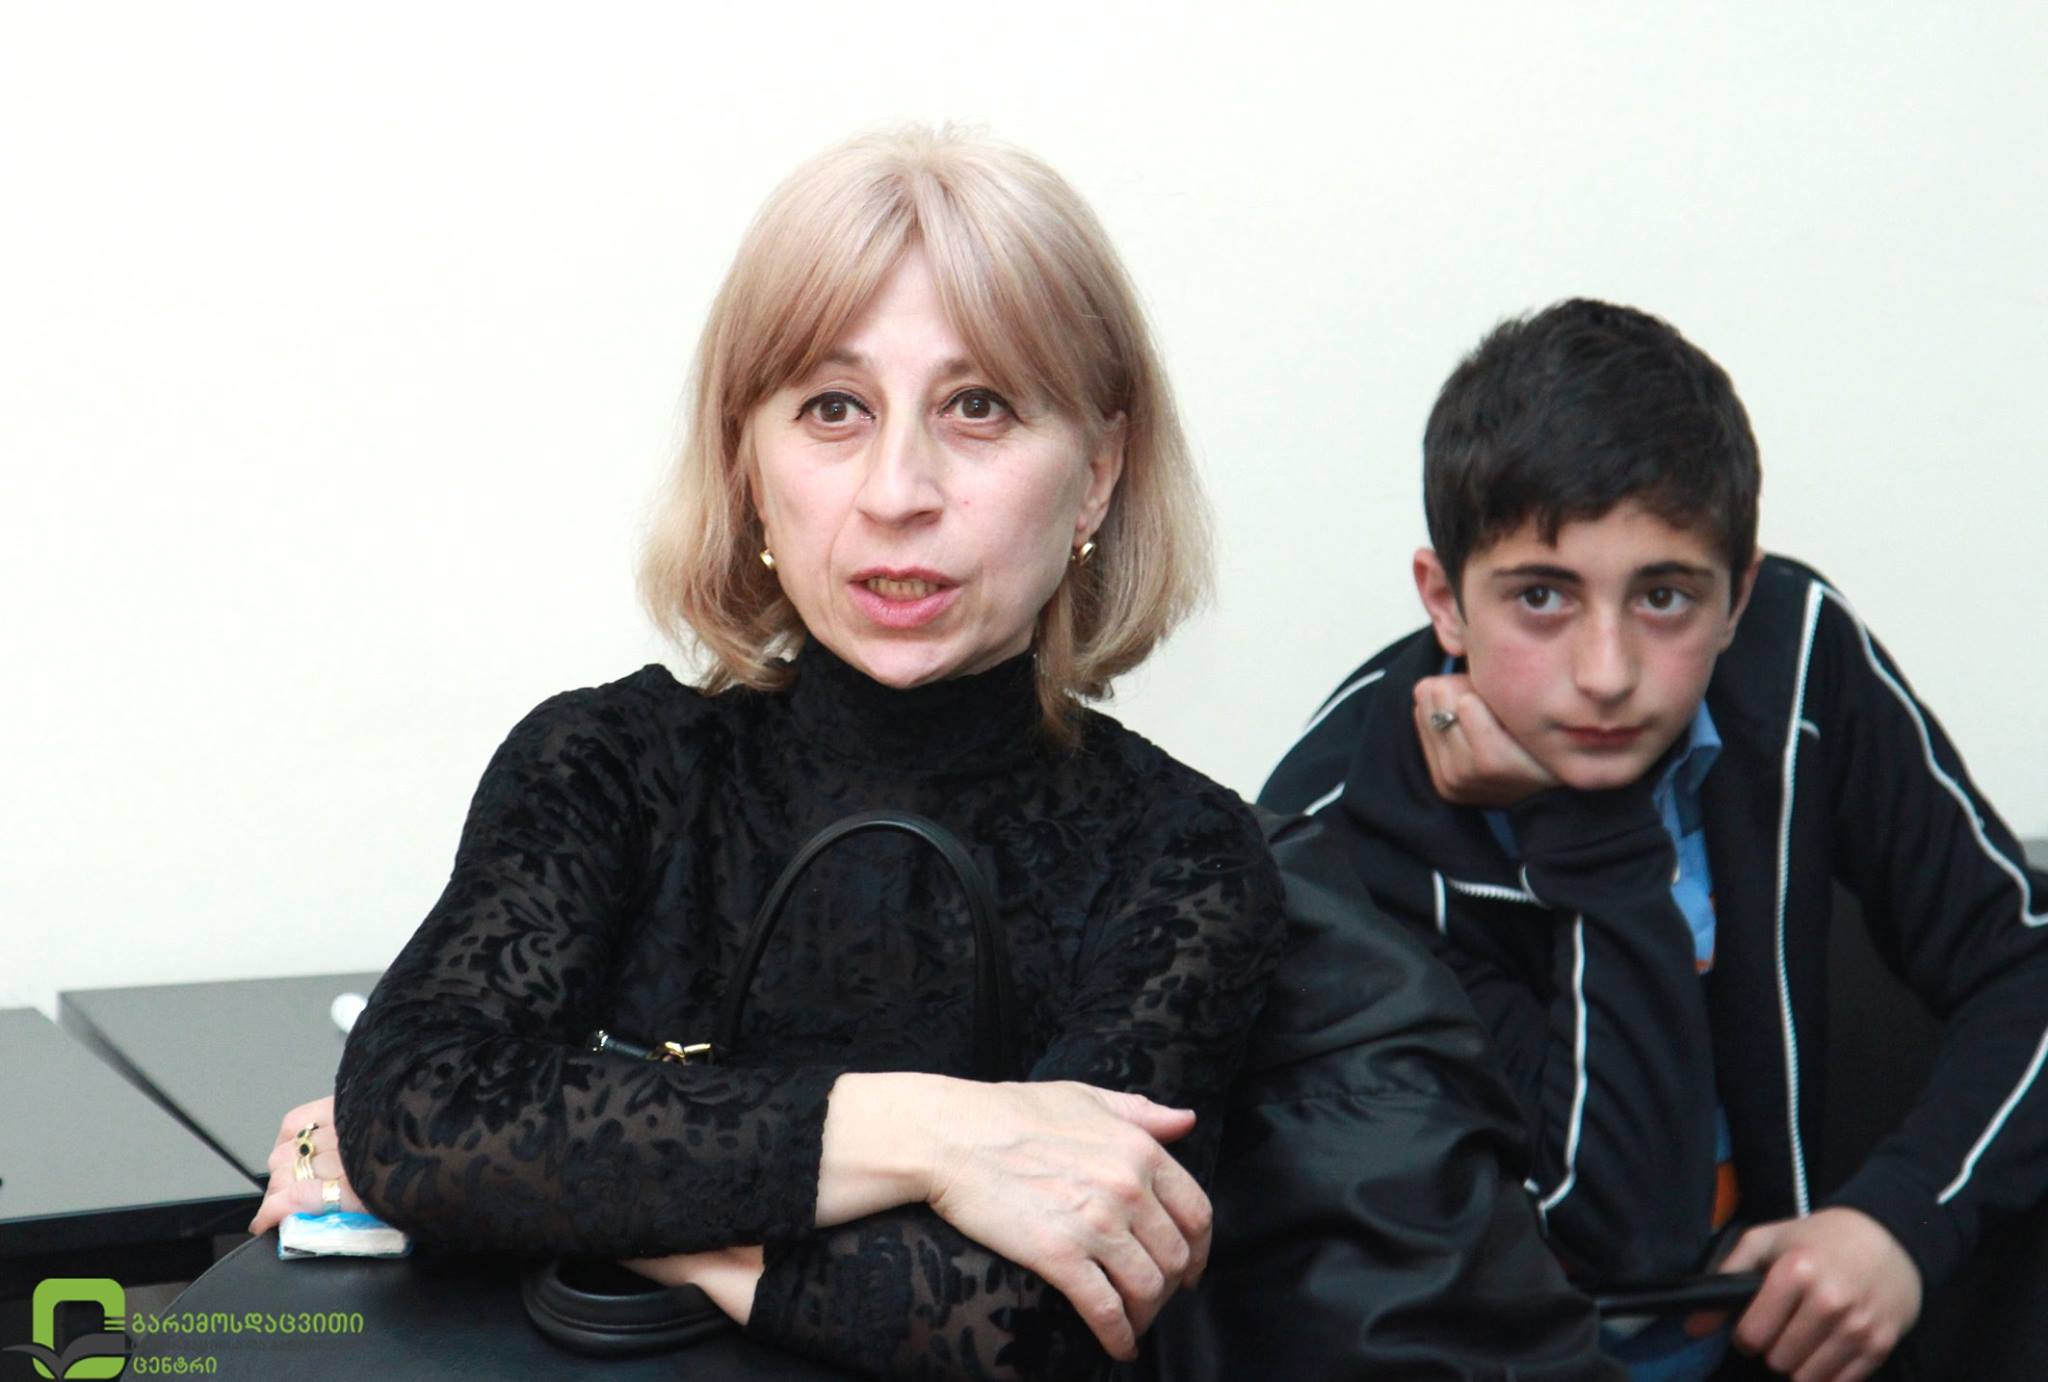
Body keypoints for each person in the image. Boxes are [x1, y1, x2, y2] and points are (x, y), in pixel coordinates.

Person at [250, 127, 1284, 1380]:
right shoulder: (607, 763)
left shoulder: (1182, 852)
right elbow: (422, 1109)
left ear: (1098, 472)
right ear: (747, 458)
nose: (896, 490)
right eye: (833, 408)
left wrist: (549, 1186)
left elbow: (1025, 1321)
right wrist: (941, 1134)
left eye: (977, 406)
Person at [1261, 299, 2048, 1381]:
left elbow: (2023, 965)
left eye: (1665, 597)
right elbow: (1624, 1236)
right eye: (1541, 596)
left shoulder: (1795, 654)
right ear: (1443, 601)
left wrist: (1902, 1220)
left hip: (1774, 1346)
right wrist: (1592, 838)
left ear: (1737, 597)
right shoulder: (1333, 832)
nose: (1606, 674)